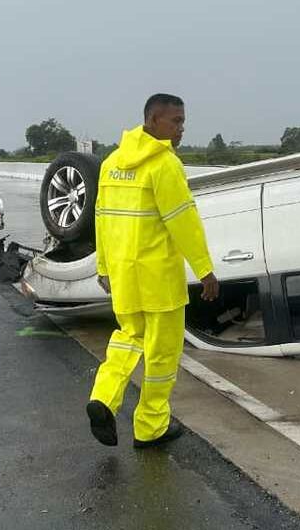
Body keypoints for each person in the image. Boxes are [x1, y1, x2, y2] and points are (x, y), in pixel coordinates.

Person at [86, 94, 219, 448]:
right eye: (175, 121)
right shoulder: (164, 165)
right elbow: (183, 222)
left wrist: (103, 267)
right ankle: (150, 426)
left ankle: (103, 398)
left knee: (127, 339)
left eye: (182, 121)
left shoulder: (111, 163)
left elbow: (100, 220)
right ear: (153, 120)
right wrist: (205, 270)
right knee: (162, 356)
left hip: (125, 278)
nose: (181, 128)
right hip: (159, 281)